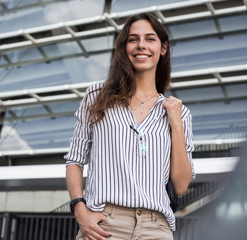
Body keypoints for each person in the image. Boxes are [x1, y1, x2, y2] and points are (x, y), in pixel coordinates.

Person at [65, 12, 195, 240]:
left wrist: (176, 125)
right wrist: (80, 210)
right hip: (105, 224)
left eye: (150, 39)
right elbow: (75, 160)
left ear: (163, 48)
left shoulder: (179, 113)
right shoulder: (96, 96)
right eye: (133, 39)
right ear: (124, 48)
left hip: (157, 227)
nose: (141, 45)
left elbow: (181, 185)